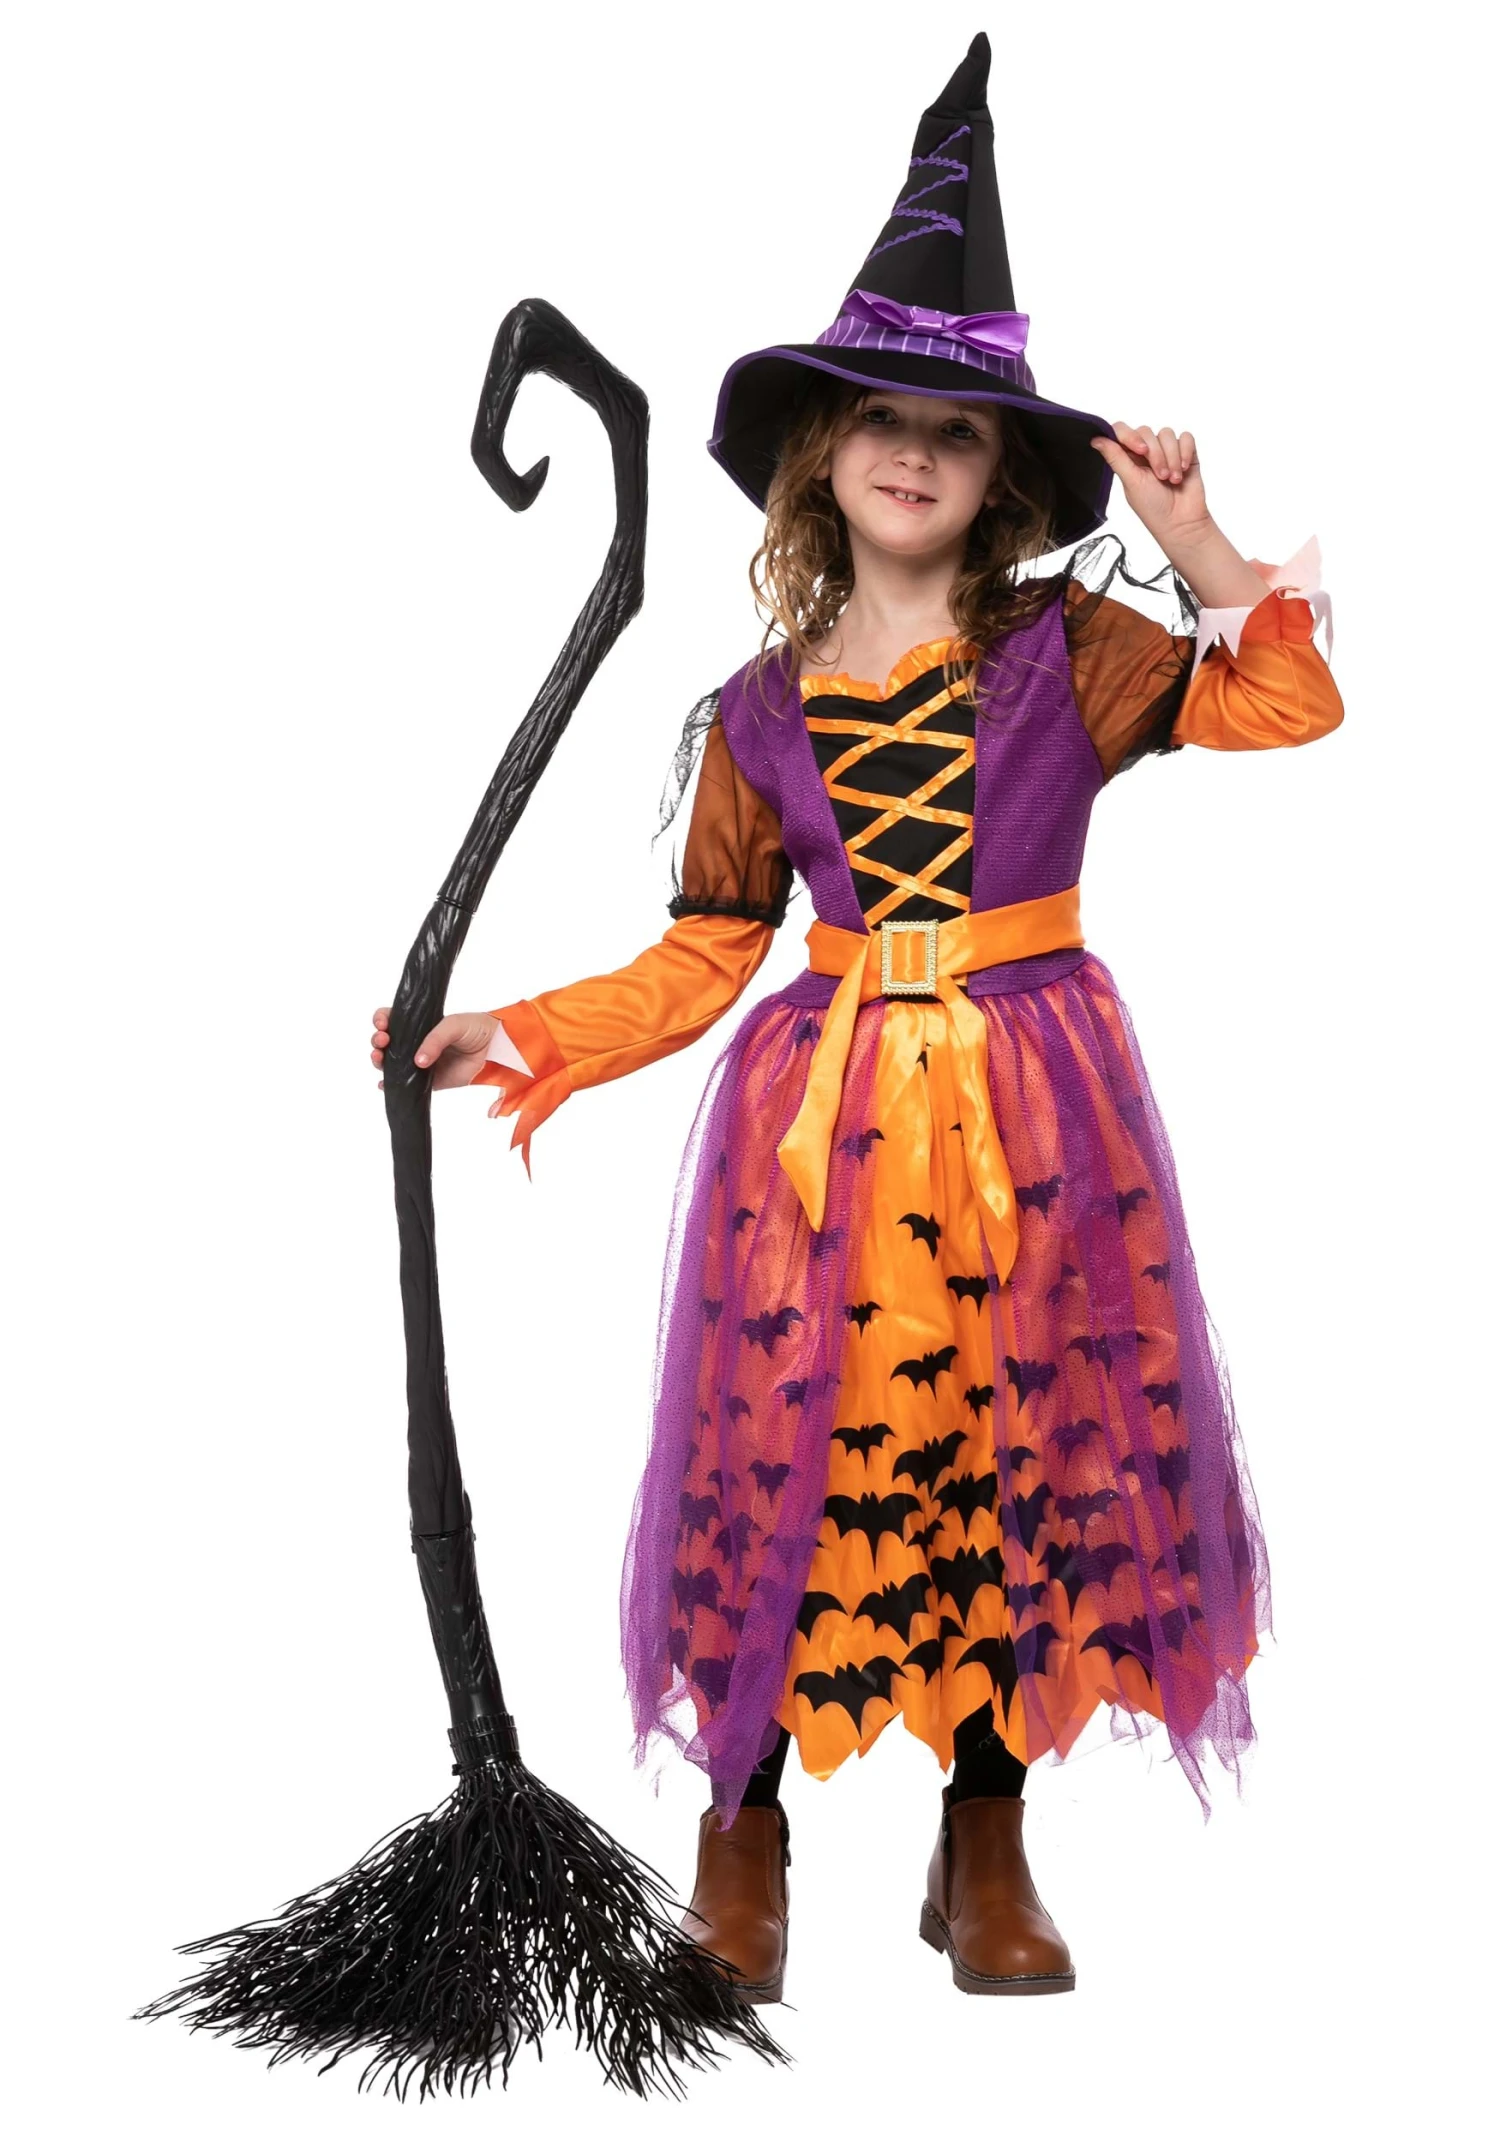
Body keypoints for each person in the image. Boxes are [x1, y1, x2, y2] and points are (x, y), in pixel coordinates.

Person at [370, 32, 1341, 2004]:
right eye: (882, 419)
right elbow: (705, 952)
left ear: (1002, 478)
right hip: (817, 1139)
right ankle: (745, 1834)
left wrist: (1197, 544)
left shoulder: (1077, 653)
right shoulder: (754, 716)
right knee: (789, 1460)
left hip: (1040, 1118)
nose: (915, 452)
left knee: (1014, 1448)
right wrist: (514, 1034)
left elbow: (1287, 701)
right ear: (819, 450)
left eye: (958, 433)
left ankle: (984, 1841)